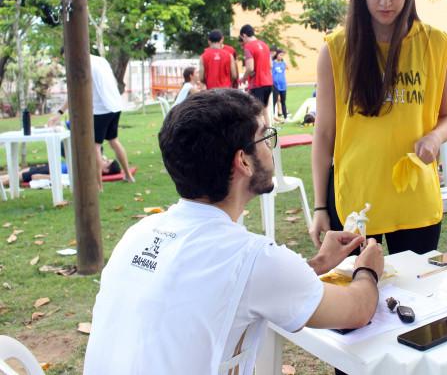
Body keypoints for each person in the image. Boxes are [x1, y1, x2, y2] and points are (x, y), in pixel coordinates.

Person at [83, 89, 384, 375]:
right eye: (266, 137)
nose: (270, 148)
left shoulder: (140, 232)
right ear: (243, 161)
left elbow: (231, 286)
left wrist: (319, 264)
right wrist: (367, 269)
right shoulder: (253, 258)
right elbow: (357, 310)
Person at [310, 0, 447, 257]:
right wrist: (321, 205)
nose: (385, 2)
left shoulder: (437, 44)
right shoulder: (336, 49)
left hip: (415, 200)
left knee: (417, 299)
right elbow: (324, 134)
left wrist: (434, 137)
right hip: (355, 201)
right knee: (355, 299)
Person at [49, 50, 135, 188]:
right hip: (115, 106)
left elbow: (73, 93)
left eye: (66, 57)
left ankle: (98, 186)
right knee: (114, 141)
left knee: (94, 147)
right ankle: (128, 176)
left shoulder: (81, 65)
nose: (66, 61)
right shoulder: (100, 60)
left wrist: (59, 113)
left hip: (100, 110)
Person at [239, 24, 273, 126]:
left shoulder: (248, 46)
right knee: (265, 111)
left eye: (242, 38)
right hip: (268, 83)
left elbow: (250, 68)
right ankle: (269, 136)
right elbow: (270, 65)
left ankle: (260, 139)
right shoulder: (265, 45)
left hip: (257, 83)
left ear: (244, 35)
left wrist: (243, 78)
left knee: (256, 114)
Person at [271, 46, 288, 121]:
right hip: (275, 85)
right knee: (274, 102)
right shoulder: (273, 63)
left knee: (283, 102)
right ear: (276, 55)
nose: (281, 56)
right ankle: (273, 117)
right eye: (280, 55)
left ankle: (285, 117)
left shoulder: (283, 63)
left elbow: (287, 68)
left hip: (283, 85)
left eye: (282, 55)